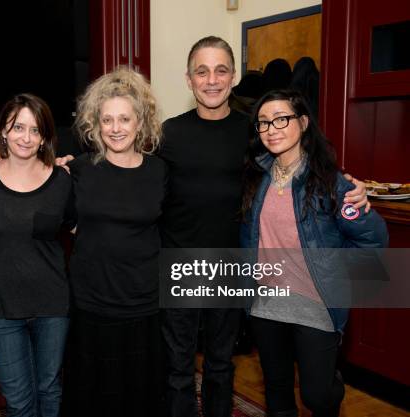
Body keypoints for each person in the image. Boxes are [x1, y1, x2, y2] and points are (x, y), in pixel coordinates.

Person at [157, 36, 369, 417]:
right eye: (201, 71)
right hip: (180, 264)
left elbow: (301, 162)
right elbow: (131, 173)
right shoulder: (167, 134)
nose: (211, 80)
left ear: (234, 76)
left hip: (233, 265)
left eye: (221, 70)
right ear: (188, 79)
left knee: (221, 364)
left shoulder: (255, 133)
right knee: (178, 368)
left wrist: (351, 187)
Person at [240, 89, 388, 417]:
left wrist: (341, 282)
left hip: (314, 304)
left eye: (282, 119)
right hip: (266, 304)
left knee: (317, 395)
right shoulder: (254, 177)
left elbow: (374, 239)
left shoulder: (331, 182)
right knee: (277, 390)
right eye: (263, 123)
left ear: (303, 122)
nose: (272, 129)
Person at [62, 67, 167, 417]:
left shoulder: (160, 171)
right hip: (92, 302)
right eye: (107, 120)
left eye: (125, 119)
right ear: (96, 124)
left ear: (141, 122)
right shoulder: (77, 169)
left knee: (139, 396)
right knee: (94, 396)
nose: (116, 128)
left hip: (143, 302)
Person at [0, 94, 73, 417]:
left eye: (35, 130)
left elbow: (79, 230)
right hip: (1, 310)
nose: (26, 138)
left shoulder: (62, 181)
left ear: (44, 136)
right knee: (17, 400)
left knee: (50, 390)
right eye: (18, 127)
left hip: (52, 307)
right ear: (3, 130)